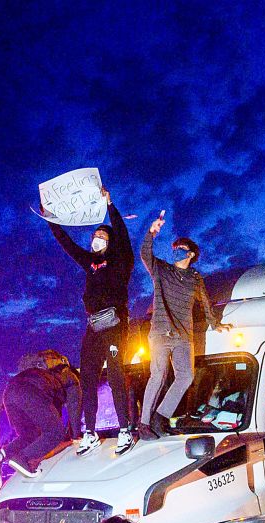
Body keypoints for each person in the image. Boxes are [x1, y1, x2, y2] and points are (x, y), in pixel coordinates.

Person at [45, 185, 137, 456]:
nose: (95, 239)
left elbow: (121, 234)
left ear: (109, 240)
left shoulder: (122, 259)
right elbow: (68, 245)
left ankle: (124, 430)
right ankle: (91, 432)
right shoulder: (90, 262)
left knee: (117, 374)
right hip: (94, 326)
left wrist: (110, 205)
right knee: (87, 377)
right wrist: (51, 219)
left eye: (100, 235)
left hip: (115, 324)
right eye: (93, 235)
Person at [137, 212, 231, 439]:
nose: (175, 250)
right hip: (160, 331)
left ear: (190, 254)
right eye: (174, 247)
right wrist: (151, 233)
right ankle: (144, 424)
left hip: (183, 335)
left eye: (179, 248)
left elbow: (206, 302)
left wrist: (215, 324)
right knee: (158, 375)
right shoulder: (162, 270)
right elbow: (144, 254)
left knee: (186, 376)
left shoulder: (195, 278)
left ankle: (161, 417)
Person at [0, 350, 81, 484]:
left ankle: (1, 456)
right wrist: (76, 436)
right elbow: (74, 407)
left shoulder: (43, 374)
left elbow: (52, 414)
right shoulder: (72, 378)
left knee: (30, 434)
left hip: (9, 393)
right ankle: (23, 458)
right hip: (29, 391)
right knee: (55, 433)